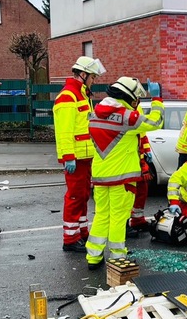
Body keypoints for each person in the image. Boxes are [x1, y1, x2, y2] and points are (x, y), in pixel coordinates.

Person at [86, 77, 164, 270]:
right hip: (122, 178)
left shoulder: (95, 114)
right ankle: (118, 257)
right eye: (136, 99)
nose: (137, 103)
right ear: (129, 98)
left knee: (101, 215)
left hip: (100, 176)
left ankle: (93, 256)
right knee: (119, 218)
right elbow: (156, 122)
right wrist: (156, 99)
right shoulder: (128, 117)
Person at [53, 56, 106, 253]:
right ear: (83, 75)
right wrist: (68, 157)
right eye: (92, 77)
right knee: (75, 196)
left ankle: (81, 232)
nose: (94, 80)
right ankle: (70, 238)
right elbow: (64, 131)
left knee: (83, 195)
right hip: (76, 156)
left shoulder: (82, 95)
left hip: (85, 156)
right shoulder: (69, 96)